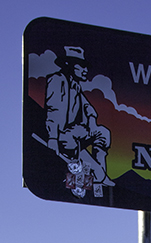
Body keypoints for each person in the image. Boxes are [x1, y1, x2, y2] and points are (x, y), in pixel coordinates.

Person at [45, 45, 115, 186]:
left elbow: (88, 107)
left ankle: (100, 175)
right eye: (81, 66)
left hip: (77, 130)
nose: (85, 70)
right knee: (71, 139)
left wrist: (91, 122)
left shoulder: (76, 86)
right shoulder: (57, 80)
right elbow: (53, 110)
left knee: (103, 133)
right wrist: (52, 137)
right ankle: (96, 175)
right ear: (69, 65)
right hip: (61, 133)